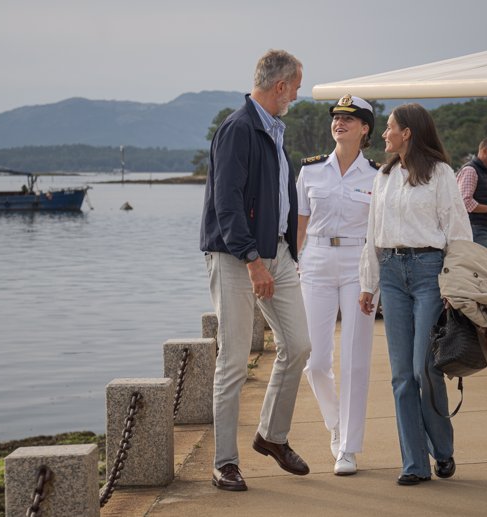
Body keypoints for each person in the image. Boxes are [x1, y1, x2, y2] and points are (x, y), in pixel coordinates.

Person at [200, 49, 312, 492]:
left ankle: (271, 435)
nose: (298, 95)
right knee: (232, 361)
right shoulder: (238, 129)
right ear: (280, 86)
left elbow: (280, 197)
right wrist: (252, 261)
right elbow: (226, 203)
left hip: (278, 254)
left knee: (299, 345)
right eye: (297, 87)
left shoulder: (273, 130)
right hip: (235, 256)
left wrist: (286, 253)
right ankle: (224, 462)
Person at [358, 103, 472, 486]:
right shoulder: (384, 176)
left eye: (390, 127)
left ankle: (442, 449)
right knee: (401, 376)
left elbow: (458, 233)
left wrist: (455, 286)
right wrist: (367, 284)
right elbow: (374, 233)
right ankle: (414, 463)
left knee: (425, 368)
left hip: (428, 273)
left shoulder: (441, 174)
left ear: (407, 133)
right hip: (390, 273)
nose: (384, 133)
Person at [296, 94, 379, 476]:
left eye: (350, 117)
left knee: (355, 357)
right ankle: (335, 423)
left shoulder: (378, 175)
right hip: (315, 260)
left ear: (365, 128)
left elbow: (378, 233)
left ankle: (347, 447)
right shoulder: (310, 171)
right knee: (313, 361)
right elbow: (298, 228)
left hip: (357, 262)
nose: (340, 122)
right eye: (336, 117)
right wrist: (293, 267)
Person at [456, 137, 487, 249]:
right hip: (474, 227)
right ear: (484, 151)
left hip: (486, 227)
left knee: (482, 263)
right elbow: (465, 202)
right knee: (483, 264)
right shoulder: (470, 170)